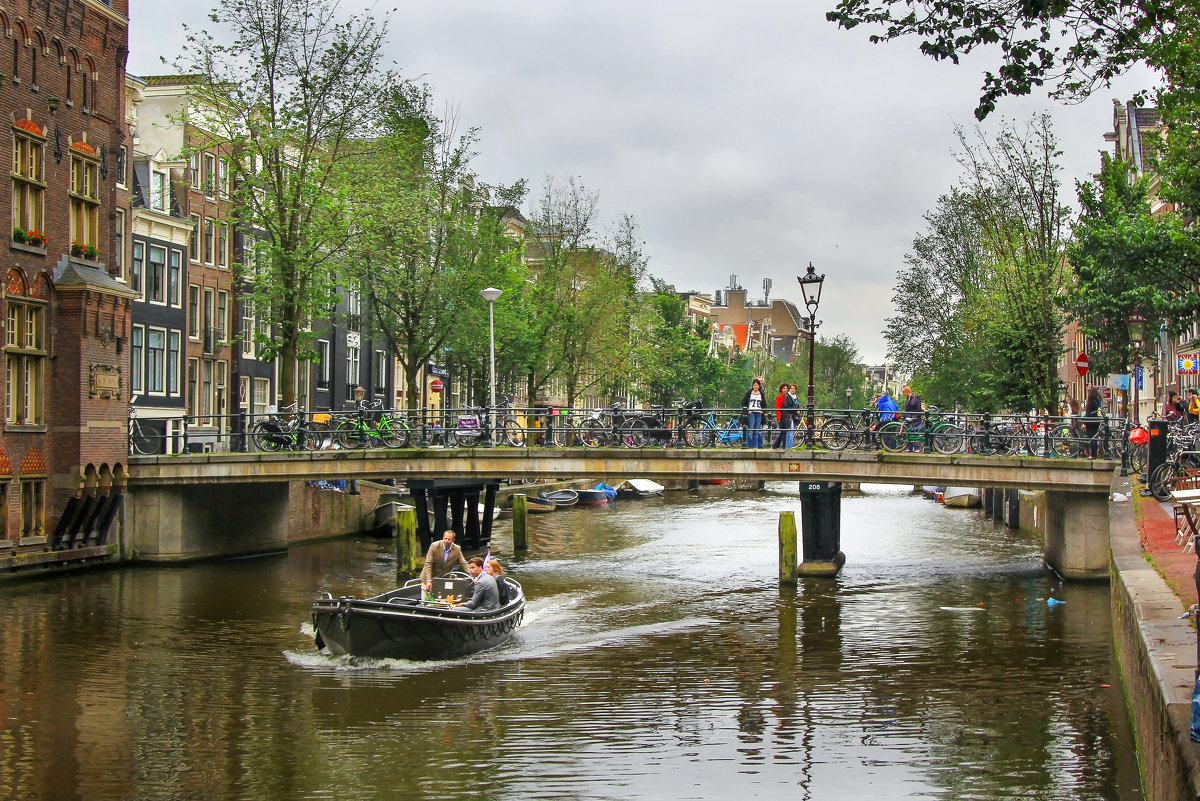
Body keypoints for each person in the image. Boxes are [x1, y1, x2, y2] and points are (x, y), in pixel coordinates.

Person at [741, 378, 766, 449]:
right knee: (750, 430)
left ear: (759, 386)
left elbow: (764, 404)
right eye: (754, 385)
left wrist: (763, 411)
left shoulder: (761, 394)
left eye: (757, 385)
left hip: (758, 413)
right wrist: (747, 410)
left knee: (757, 431)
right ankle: (750, 446)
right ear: (752, 386)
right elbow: (743, 403)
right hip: (751, 413)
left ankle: (755, 445)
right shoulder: (749, 393)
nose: (755, 387)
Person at [771, 382, 792, 449]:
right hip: (782, 416)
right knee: (784, 431)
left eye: (786, 388)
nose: (785, 390)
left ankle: (775, 446)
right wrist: (779, 417)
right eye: (783, 388)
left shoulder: (789, 397)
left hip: (788, 415)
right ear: (781, 389)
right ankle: (783, 446)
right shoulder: (779, 398)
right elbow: (778, 408)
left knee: (784, 432)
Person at [1084, 386, 1103, 458]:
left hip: (1091, 422)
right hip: (1096, 421)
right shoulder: (1097, 401)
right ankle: (1094, 454)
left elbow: (1088, 414)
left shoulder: (1090, 402)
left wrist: (1085, 423)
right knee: (1094, 438)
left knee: (1091, 438)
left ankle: (1093, 455)